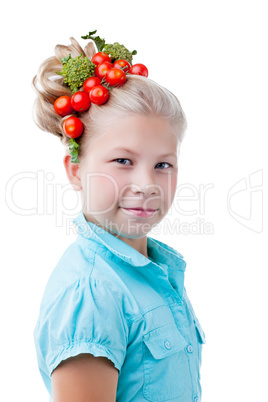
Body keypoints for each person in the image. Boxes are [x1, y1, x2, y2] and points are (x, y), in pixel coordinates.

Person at [33, 32, 206, 402]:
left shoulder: (155, 271)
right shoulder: (92, 294)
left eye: (163, 164)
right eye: (123, 161)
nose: (146, 184)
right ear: (76, 171)